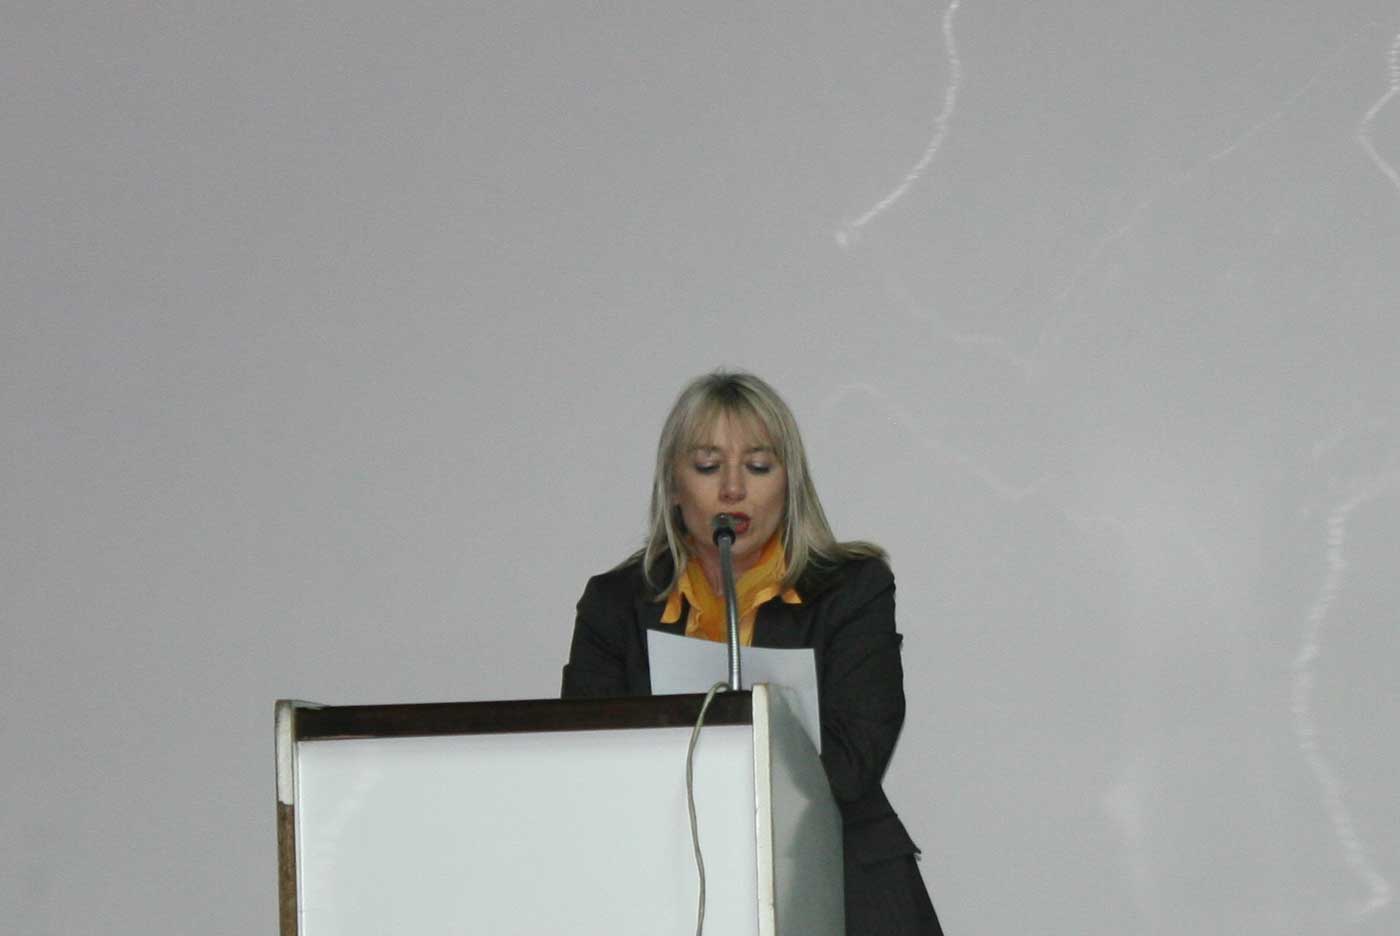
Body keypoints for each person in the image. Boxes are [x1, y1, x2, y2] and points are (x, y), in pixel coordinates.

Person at [561, 370, 944, 935]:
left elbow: (855, 758)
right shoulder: (616, 604)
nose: (733, 490)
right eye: (707, 466)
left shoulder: (852, 590)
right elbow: (589, 760)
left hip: (840, 884)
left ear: (790, 486)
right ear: (673, 486)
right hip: (670, 885)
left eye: (759, 467)